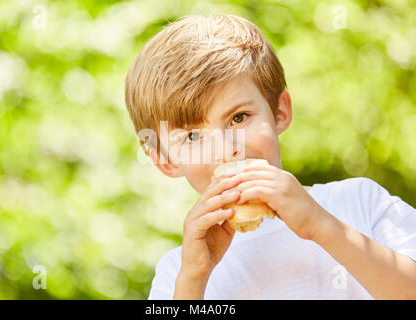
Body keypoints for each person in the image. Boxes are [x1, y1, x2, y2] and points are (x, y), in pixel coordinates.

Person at [124, 14, 416, 299]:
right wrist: (193, 280)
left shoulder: (358, 203)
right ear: (166, 161)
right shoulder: (178, 271)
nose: (226, 149)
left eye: (239, 117)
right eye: (193, 136)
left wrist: (320, 225)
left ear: (280, 112)